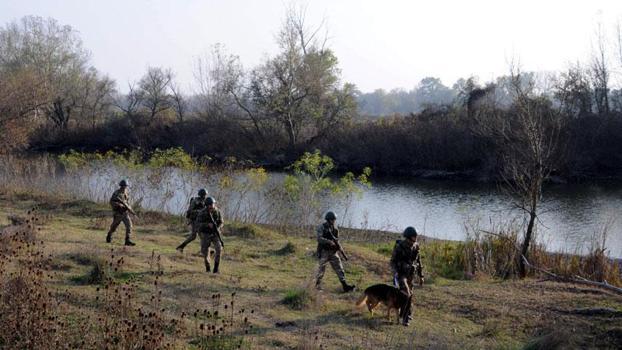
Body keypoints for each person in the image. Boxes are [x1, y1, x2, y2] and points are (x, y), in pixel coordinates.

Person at [390, 226, 425, 326]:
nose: (416, 238)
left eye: (416, 236)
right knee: (406, 293)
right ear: (409, 237)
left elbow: (418, 261)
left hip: (410, 274)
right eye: (414, 236)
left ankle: (407, 313)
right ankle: (405, 318)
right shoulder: (400, 246)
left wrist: (421, 276)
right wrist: (395, 273)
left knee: (410, 295)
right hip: (401, 274)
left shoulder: (416, 246)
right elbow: (392, 261)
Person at [315, 211, 355, 292]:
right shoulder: (321, 227)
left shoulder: (335, 229)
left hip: (333, 252)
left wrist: (341, 249)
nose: (334, 221)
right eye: (333, 219)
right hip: (324, 252)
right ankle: (317, 286)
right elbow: (319, 238)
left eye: (334, 219)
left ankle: (345, 286)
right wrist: (329, 242)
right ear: (329, 219)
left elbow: (337, 240)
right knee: (321, 269)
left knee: (339, 268)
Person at [195, 197, 224, 273]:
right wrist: (207, 224)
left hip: (215, 233)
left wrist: (218, 227)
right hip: (205, 234)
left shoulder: (217, 211)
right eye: (210, 205)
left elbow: (221, 222)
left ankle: (216, 269)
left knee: (219, 249)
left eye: (213, 204)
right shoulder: (202, 212)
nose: (212, 206)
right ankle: (208, 268)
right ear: (207, 205)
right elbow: (197, 224)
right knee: (205, 252)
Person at [106, 179, 136, 246]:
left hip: (125, 213)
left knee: (129, 226)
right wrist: (119, 205)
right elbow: (111, 202)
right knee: (114, 227)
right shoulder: (116, 193)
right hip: (118, 213)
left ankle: (127, 240)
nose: (124, 187)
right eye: (123, 186)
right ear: (121, 186)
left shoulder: (126, 193)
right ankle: (109, 235)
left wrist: (130, 209)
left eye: (125, 186)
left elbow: (127, 202)